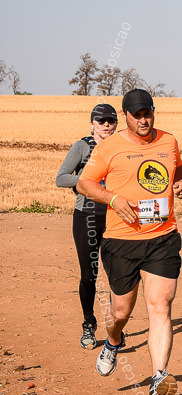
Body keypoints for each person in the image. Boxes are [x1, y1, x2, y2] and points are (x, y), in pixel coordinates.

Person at [77, 89, 182, 395]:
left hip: (163, 237)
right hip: (121, 240)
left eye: (148, 113)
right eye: (137, 114)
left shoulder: (168, 141)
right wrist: (113, 198)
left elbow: (177, 168)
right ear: (125, 115)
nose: (144, 119)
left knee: (160, 306)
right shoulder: (110, 147)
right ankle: (113, 341)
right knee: (121, 312)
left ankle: (158, 378)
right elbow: (84, 183)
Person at [55, 103, 118, 349]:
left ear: (116, 123)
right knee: (88, 275)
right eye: (100, 120)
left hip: (116, 216)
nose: (105, 125)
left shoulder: (122, 146)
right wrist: (88, 182)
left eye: (110, 121)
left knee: (118, 276)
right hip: (88, 217)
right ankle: (88, 324)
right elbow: (61, 178)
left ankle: (114, 329)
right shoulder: (82, 146)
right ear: (92, 123)